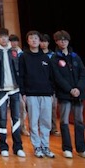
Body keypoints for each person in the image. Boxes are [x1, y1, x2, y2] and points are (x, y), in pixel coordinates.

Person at [51, 30, 85, 159]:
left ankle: (81, 148)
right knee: (64, 121)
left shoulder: (75, 56)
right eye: (60, 40)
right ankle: (67, 148)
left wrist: (78, 88)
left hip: (78, 94)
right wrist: (69, 89)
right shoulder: (55, 58)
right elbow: (57, 77)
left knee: (79, 121)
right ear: (56, 42)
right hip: (64, 94)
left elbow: (83, 74)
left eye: (65, 40)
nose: (63, 42)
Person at [18, 30, 56, 159]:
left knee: (46, 122)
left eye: (36, 38)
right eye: (31, 38)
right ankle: (37, 146)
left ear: (40, 41)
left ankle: (45, 146)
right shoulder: (23, 57)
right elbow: (21, 76)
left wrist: (51, 92)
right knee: (33, 122)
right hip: (31, 94)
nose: (34, 40)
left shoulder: (45, 57)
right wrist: (23, 93)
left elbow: (51, 76)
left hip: (46, 94)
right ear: (27, 41)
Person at [0, 27, 25, 157]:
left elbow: (20, 70)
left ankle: (18, 147)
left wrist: (21, 88)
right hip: (0, 89)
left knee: (16, 117)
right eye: (1, 37)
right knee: (2, 118)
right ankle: (3, 146)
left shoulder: (14, 51)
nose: (3, 39)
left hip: (15, 89)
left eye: (5, 36)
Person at [40, 33, 60, 136]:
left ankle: (54, 128)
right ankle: (42, 128)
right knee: (41, 109)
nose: (43, 44)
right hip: (40, 86)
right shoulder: (37, 55)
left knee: (53, 108)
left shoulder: (53, 55)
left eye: (45, 41)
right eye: (42, 41)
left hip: (52, 87)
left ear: (48, 43)